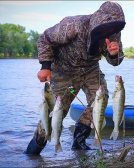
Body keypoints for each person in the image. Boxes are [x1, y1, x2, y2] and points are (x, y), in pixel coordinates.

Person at [24, 1, 126, 155]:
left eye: (114, 26)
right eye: (107, 25)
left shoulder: (114, 33)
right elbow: (45, 39)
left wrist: (114, 54)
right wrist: (45, 66)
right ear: (99, 19)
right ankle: (32, 153)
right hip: (64, 71)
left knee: (101, 98)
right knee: (55, 112)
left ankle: (79, 142)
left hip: (91, 69)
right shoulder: (73, 25)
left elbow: (115, 61)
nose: (110, 30)